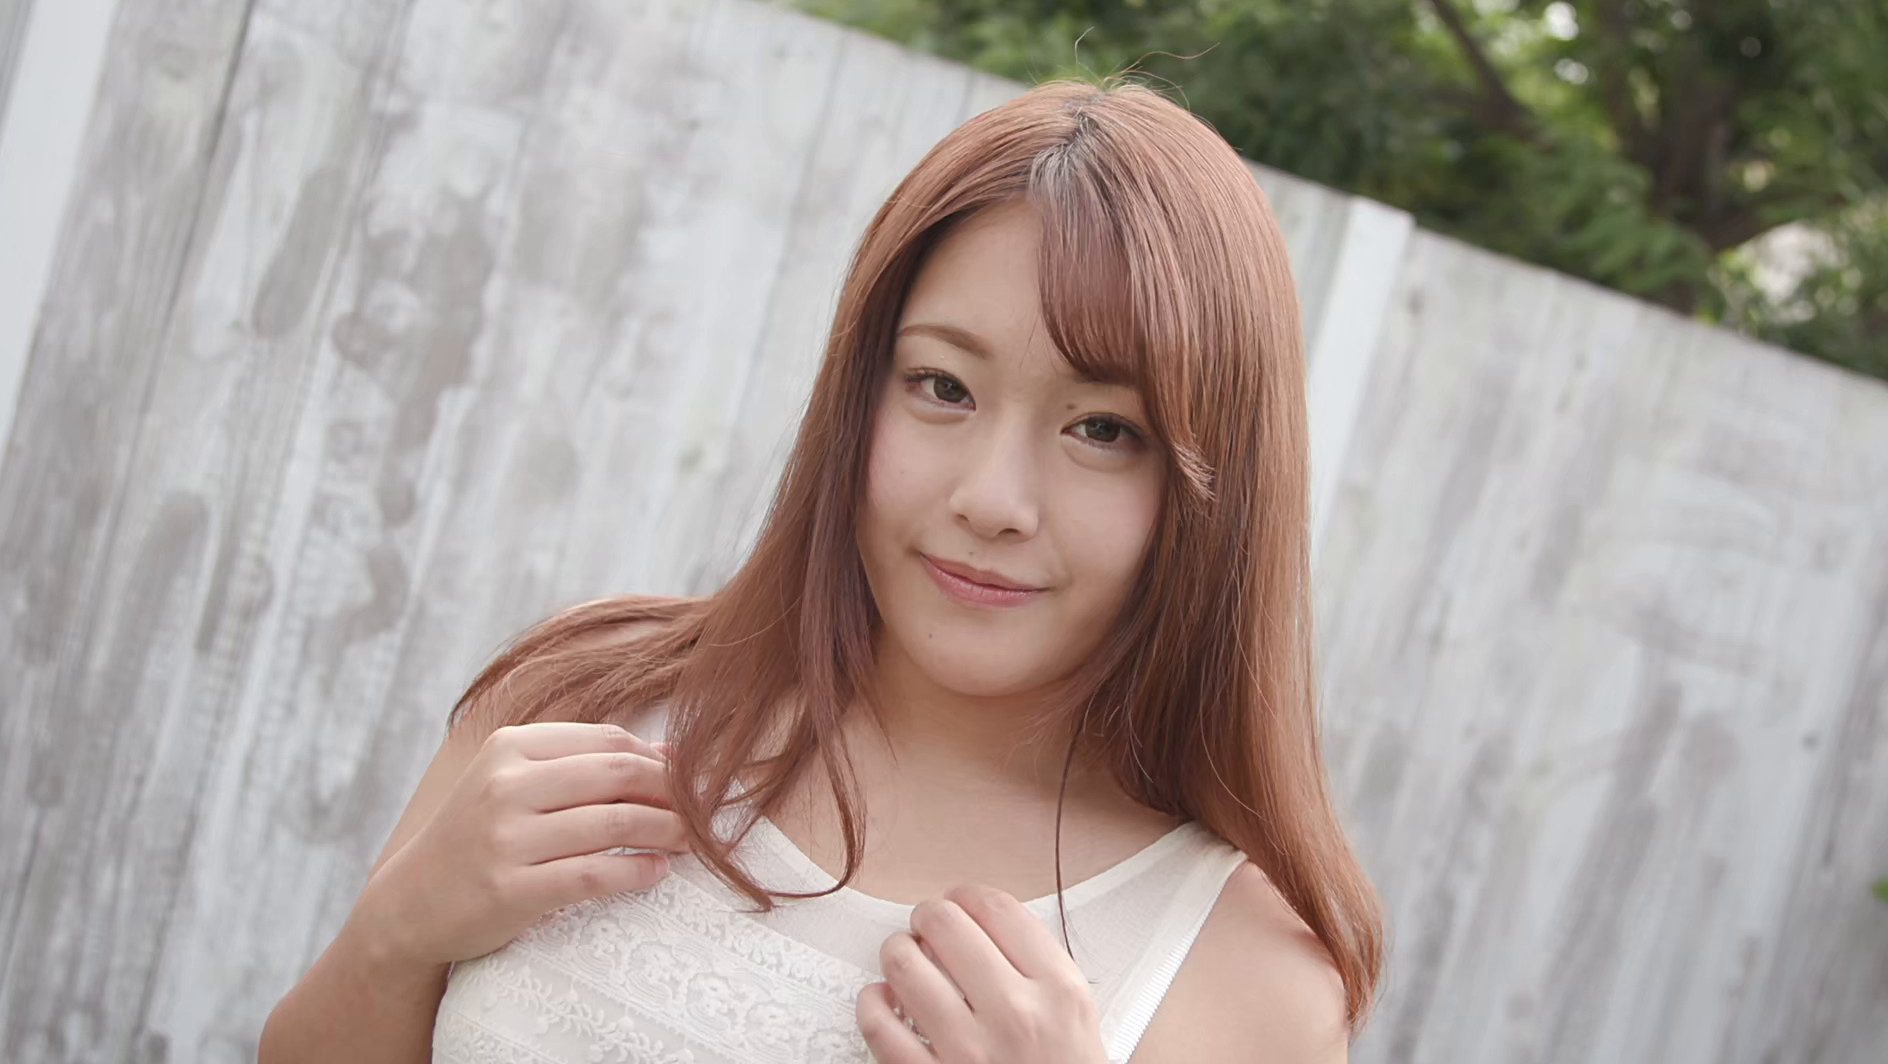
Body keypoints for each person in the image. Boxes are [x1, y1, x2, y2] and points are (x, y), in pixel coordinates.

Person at [260, 77, 1382, 1063]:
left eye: (1102, 429)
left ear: (1211, 491)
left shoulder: (1252, 975)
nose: (992, 499)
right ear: (859, 392)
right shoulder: (588, 696)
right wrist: (395, 936)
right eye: (942, 386)